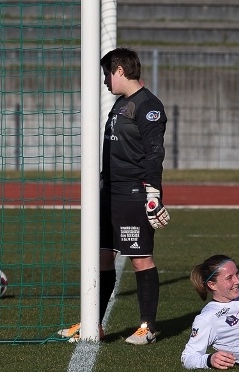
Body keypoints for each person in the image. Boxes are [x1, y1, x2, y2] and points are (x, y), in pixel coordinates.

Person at [58, 47, 170, 345]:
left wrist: (153, 193)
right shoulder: (121, 104)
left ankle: (147, 327)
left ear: (120, 70)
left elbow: (154, 153)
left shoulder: (148, 106)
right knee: (102, 257)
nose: (105, 80)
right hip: (108, 193)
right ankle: (93, 323)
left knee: (140, 259)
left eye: (108, 73)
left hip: (133, 195)